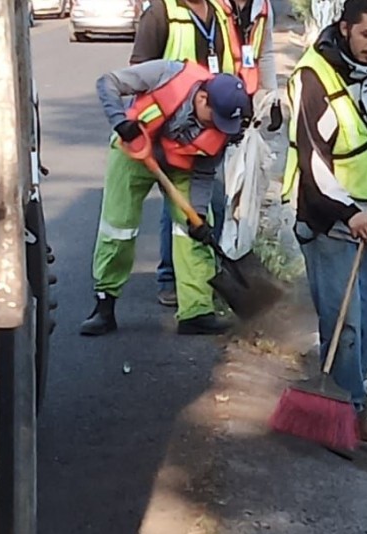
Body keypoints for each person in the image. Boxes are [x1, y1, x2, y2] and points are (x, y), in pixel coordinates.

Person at [281, 0, 367, 443]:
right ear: (345, 29)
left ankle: (347, 403)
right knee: (345, 326)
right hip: (329, 219)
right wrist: (348, 212)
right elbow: (314, 162)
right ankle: (346, 416)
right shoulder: (312, 78)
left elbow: (363, 134)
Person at [80, 60, 251, 336]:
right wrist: (121, 122)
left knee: (192, 234)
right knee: (118, 228)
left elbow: (204, 174)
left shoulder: (221, 131)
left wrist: (196, 215)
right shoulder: (168, 75)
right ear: (203, 98)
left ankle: (196, 312)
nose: (219, 126)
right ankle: (104, 305)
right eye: (215, 117)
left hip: (182, 167)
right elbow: (107, 82)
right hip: (133, 151)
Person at [129, 0, 235, 308]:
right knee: (174, 209)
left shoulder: (219, 12)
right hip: (169, 126)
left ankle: (198, 292)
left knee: (203, 210)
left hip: (209, 122)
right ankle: (169, 279)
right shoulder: (161, 14)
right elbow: (140, 72)